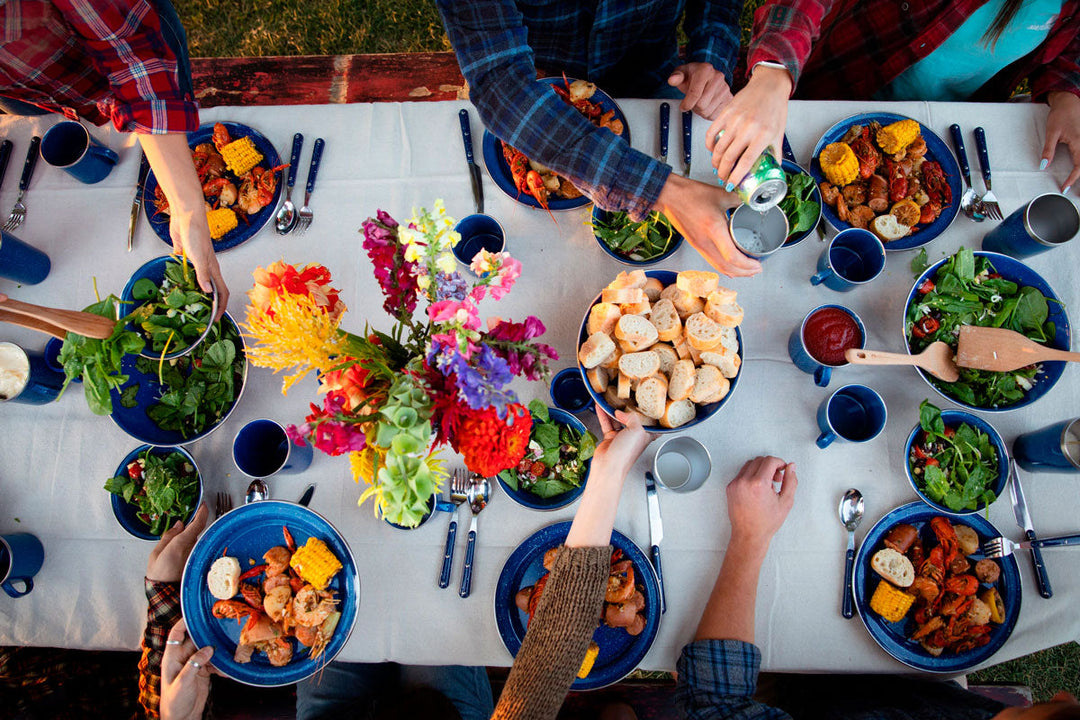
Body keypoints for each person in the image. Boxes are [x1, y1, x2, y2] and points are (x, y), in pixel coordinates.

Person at [144, 409, 653, 720]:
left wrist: (176, 715)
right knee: (438, 623)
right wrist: (605, 471)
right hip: (441, 715)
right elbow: (551, 655)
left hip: (335, 715)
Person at [674, 455, 1080, 720]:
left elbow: (714, 705)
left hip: (798, 699)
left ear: (1066, 699)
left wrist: (750, 536)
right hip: (903, 689)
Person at [435, 0, 764, 278]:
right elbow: (502, 85)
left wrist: (710, 54)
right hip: (537, 87)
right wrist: (664, 190)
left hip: (652, 70)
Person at [706, 0, 1080, 196]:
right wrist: (773, 71)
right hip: (829, 81)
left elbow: (1071, 47)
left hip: (947, 122)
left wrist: (1067, 91)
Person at [0, 0, 229, 312]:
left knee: (176, 120)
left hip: (126, 37)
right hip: (27, 88)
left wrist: (188, 208)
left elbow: (135, 61)